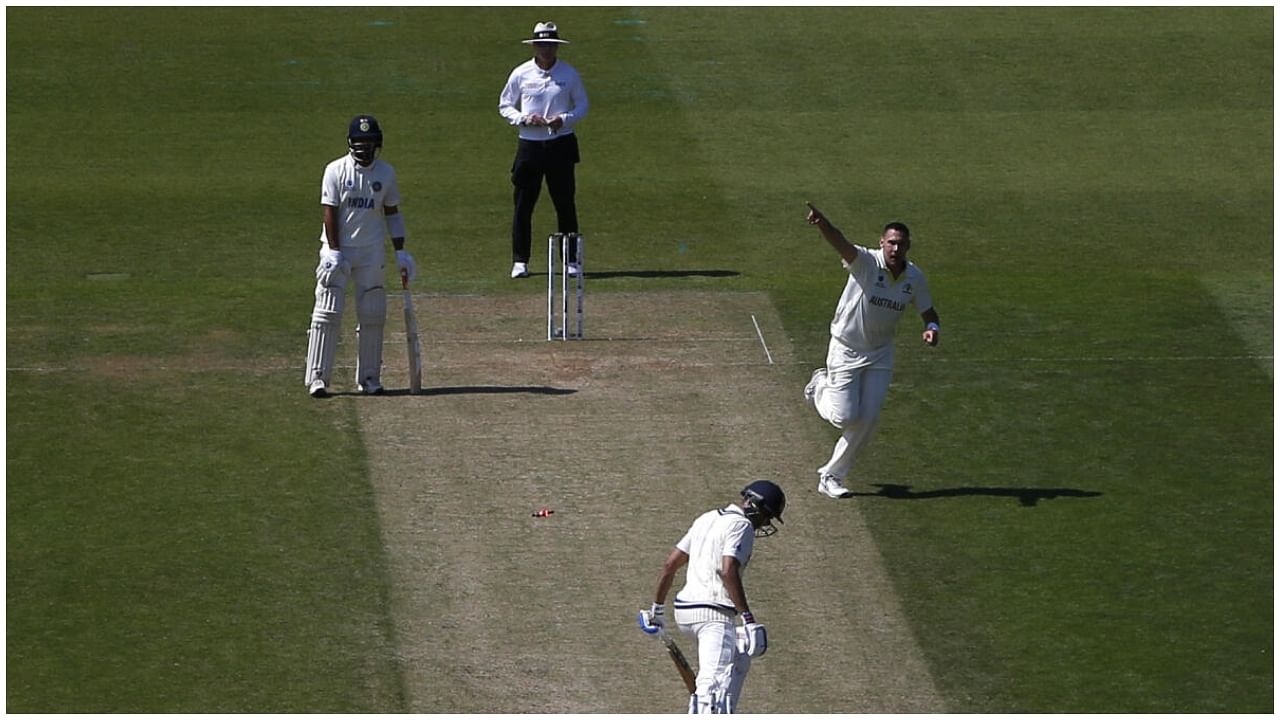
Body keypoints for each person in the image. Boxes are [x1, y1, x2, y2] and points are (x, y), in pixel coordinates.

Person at [802, 203, 941, 498]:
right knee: (844, 416)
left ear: (908, 247)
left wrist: (932, 328)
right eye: (891, 242)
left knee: (868, 419)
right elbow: (840, 242)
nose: (895, 248)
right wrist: (822, 223)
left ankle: (831, 476)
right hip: (846, 347)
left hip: (880, 353)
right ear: (882, 242)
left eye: (901, 244)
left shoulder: (914, 278)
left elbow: (929, 311)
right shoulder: (866, 262)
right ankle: (818, 386)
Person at [638, 481, 786, 714]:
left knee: (740, 656)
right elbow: (728, 570)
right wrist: (748, 619)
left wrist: (656, 610)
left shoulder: (706, 518)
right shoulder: (742, 525)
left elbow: (670, 565)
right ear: (757, 507)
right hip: (713, 616)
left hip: (684, 612)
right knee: (710, 689)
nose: (766, 523)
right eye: (768, 516)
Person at [303, 115, 416, 398]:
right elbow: (329, 211)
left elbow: (392, 213)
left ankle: (369, 377)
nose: (364, 147)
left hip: (371, 251)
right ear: (350, 143)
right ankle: (318, 377)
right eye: (359, 142)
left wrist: (401, 251)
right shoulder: (335, 170)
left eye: (369, 142)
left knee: (373, 313)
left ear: (377, 143)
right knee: (328, 312)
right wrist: (334, 250)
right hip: (338, 251)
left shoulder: (386, 173)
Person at [498, 21, 589, 279]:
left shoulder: (569, 74)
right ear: (535, 46)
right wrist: (524, 119)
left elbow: (582, 105)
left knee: (565, 203)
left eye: (550, 45)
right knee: (523, 205)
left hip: (561, 144)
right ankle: (520, 261)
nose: (546, 49)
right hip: (530, 146)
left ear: (556, 46)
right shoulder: (521, 73)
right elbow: (505, 105)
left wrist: (564, 119)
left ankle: (570, 260)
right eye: (542, 44)